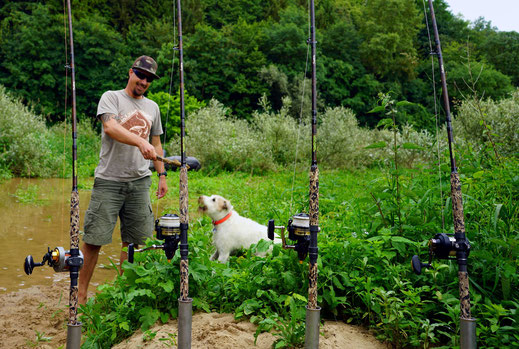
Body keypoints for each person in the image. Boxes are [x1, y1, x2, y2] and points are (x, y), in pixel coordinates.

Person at [78, 56, 168, 305]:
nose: (144, 81)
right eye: (140, 75)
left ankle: (123, 296)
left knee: (135, 243)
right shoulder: (112, 97)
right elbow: (110, 128)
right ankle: (80, 297)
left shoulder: (153, 108)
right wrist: (140, 141)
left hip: (140, 183)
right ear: (131, 72)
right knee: (93, 241)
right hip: (109, 180)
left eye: (149, 78)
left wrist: (161, 174)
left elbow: (157, 143)